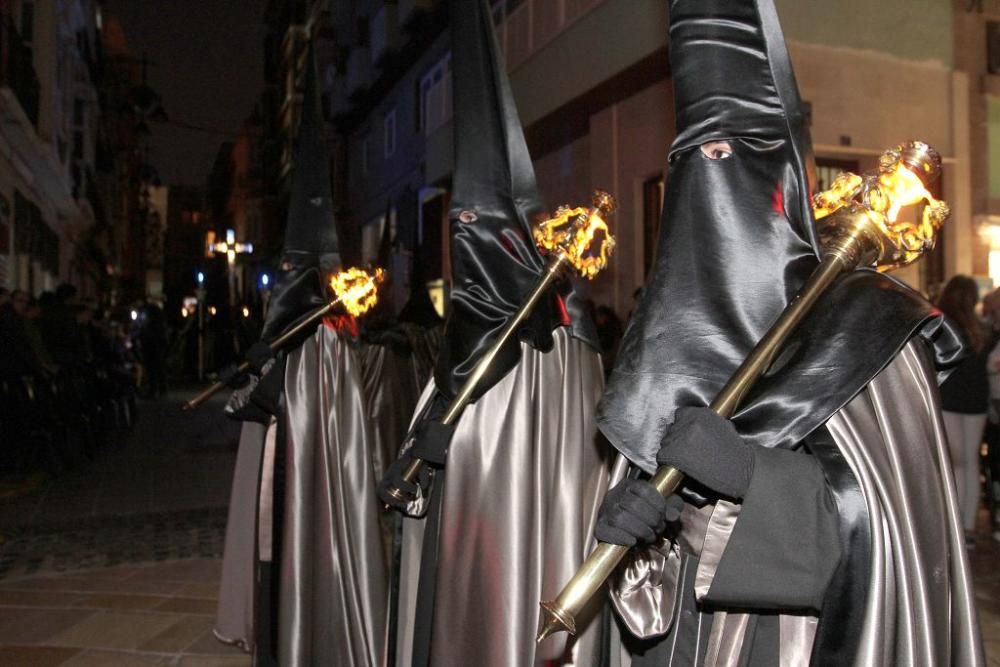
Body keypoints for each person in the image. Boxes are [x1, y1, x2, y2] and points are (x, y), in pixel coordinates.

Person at [591, 1, 983, 664]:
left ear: (783, 182)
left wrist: (752, 475)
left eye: (729, 154)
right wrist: (636, 533)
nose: (710, 180)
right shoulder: (662, 345)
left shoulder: (869, 321)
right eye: (694, 160)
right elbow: (649, 593)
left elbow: (894, 539)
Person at [378, 1, 612, 665]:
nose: (462, 238)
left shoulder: (562, 335)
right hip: (456, 540)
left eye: (475, 223)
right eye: (459, 223)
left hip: (513, 563)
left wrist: (462, 440)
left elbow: (560, 469)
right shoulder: (469, 333)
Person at [214, 47, 388, 667]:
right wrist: (258, 363)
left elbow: (290, 407)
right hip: (277, 486)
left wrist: (255, 389)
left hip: (300, 486)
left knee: (298, 554)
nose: (286, 275)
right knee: (274, 561)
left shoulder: (329, 339)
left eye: (294, 269)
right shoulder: (298, 332)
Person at [936, 275, 990, 547]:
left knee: (955, 463)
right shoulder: (982, 328)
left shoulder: (941, 325)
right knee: (971, 462)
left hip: (949, 398)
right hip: (976, 399)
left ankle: (956, 527)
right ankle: (968, 526)